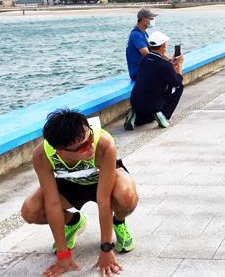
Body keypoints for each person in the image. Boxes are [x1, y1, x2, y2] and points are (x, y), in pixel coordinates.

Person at [21, 109, 138, 277]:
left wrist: (106, 248)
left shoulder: (103, 144)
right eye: (83, 146)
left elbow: (103, 198)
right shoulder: (42, 155)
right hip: (70, 183)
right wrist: (63, 254)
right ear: (60, 152)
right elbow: (52, 202)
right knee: (30, 211)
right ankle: (74, 222)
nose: (91, 145)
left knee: (127, 197)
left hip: (102, 179)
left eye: (90, 137)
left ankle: (118, 222)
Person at [125, 31, 184, 130]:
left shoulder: (143, 60)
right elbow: (177, 81)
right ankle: (163, 115)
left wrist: (171, 64)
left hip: (135, 102)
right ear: (163, 45)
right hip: (153, 105)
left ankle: (137, 118)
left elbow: (156, 68)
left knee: (146, 113)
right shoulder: (165, 66)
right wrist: (180, 64)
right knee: (179, 87)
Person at [126, 8, 158, 80]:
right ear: (144, 19)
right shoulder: (136, 35)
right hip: (137, 72)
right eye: (151, 19)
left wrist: (168, 61)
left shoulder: (143, 33)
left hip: (144, 69)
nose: (152, 21)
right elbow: (147, 54)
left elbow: (154, 50)